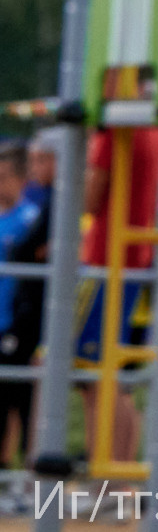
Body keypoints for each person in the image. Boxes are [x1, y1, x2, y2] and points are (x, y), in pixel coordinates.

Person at [75, 78, 158, 466]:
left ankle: (106, 476)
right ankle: (120, 474)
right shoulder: (154, 129)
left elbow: (89, 199)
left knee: (97, 378)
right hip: (138, 263)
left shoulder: (116, 130)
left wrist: (83, 156)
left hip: (107, 261)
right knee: (119, 380)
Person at [0, 132, 54, 466]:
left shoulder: (31, 219)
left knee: (23, 398)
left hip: (17, 322)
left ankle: (27, 472)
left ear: (21, 179)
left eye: (4, 177)